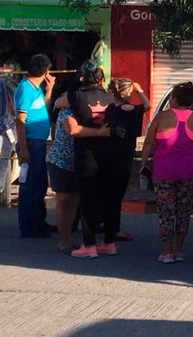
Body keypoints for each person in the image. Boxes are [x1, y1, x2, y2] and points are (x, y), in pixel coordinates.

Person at [141, 82, 193, 263]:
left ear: (173, 99)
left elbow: (148, 142)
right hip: (188, 171)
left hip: (163, 171)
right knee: (184, 210)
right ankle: (178, 249)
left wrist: (144, 163)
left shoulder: (161, 118)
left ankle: (166, 251)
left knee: (166, 211)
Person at [67, 61, 127, 258]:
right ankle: (109, 242)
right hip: (111, 155)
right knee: (109, 199)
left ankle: (89, 245)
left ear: (82, 78)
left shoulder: (76, 95)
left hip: (87, 155)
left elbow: (71, 121)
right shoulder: (111, 97)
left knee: (88, 200)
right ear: (102, 80)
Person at [47, 89, 111, 252]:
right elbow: (73, 130)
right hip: (61, 161)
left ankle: (69, 237)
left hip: (78, 161)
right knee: (63, 200)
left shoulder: (81, 110)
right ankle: (64, 241)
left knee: (74, 201)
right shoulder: (68, 111)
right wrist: (99, 132)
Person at [14, 54, 56, 239]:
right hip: (30, 143)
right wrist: (23, 148)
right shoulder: (25, 89)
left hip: (38, 142)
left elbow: (41, 106)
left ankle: (39, 221)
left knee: (39, 185)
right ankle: (29, 226)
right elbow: (20, 120)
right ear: (46, 70)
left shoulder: (35, 89)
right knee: (30, 186)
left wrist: (50, 89)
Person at [106, 77, 149, 242]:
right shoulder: (133, 109)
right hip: (125, 154)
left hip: (110, 152)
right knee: (118, 192)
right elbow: (147, 106)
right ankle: (114, 228)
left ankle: (109, 224)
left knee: (110, 192)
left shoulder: (110, 109)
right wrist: (140, 90)